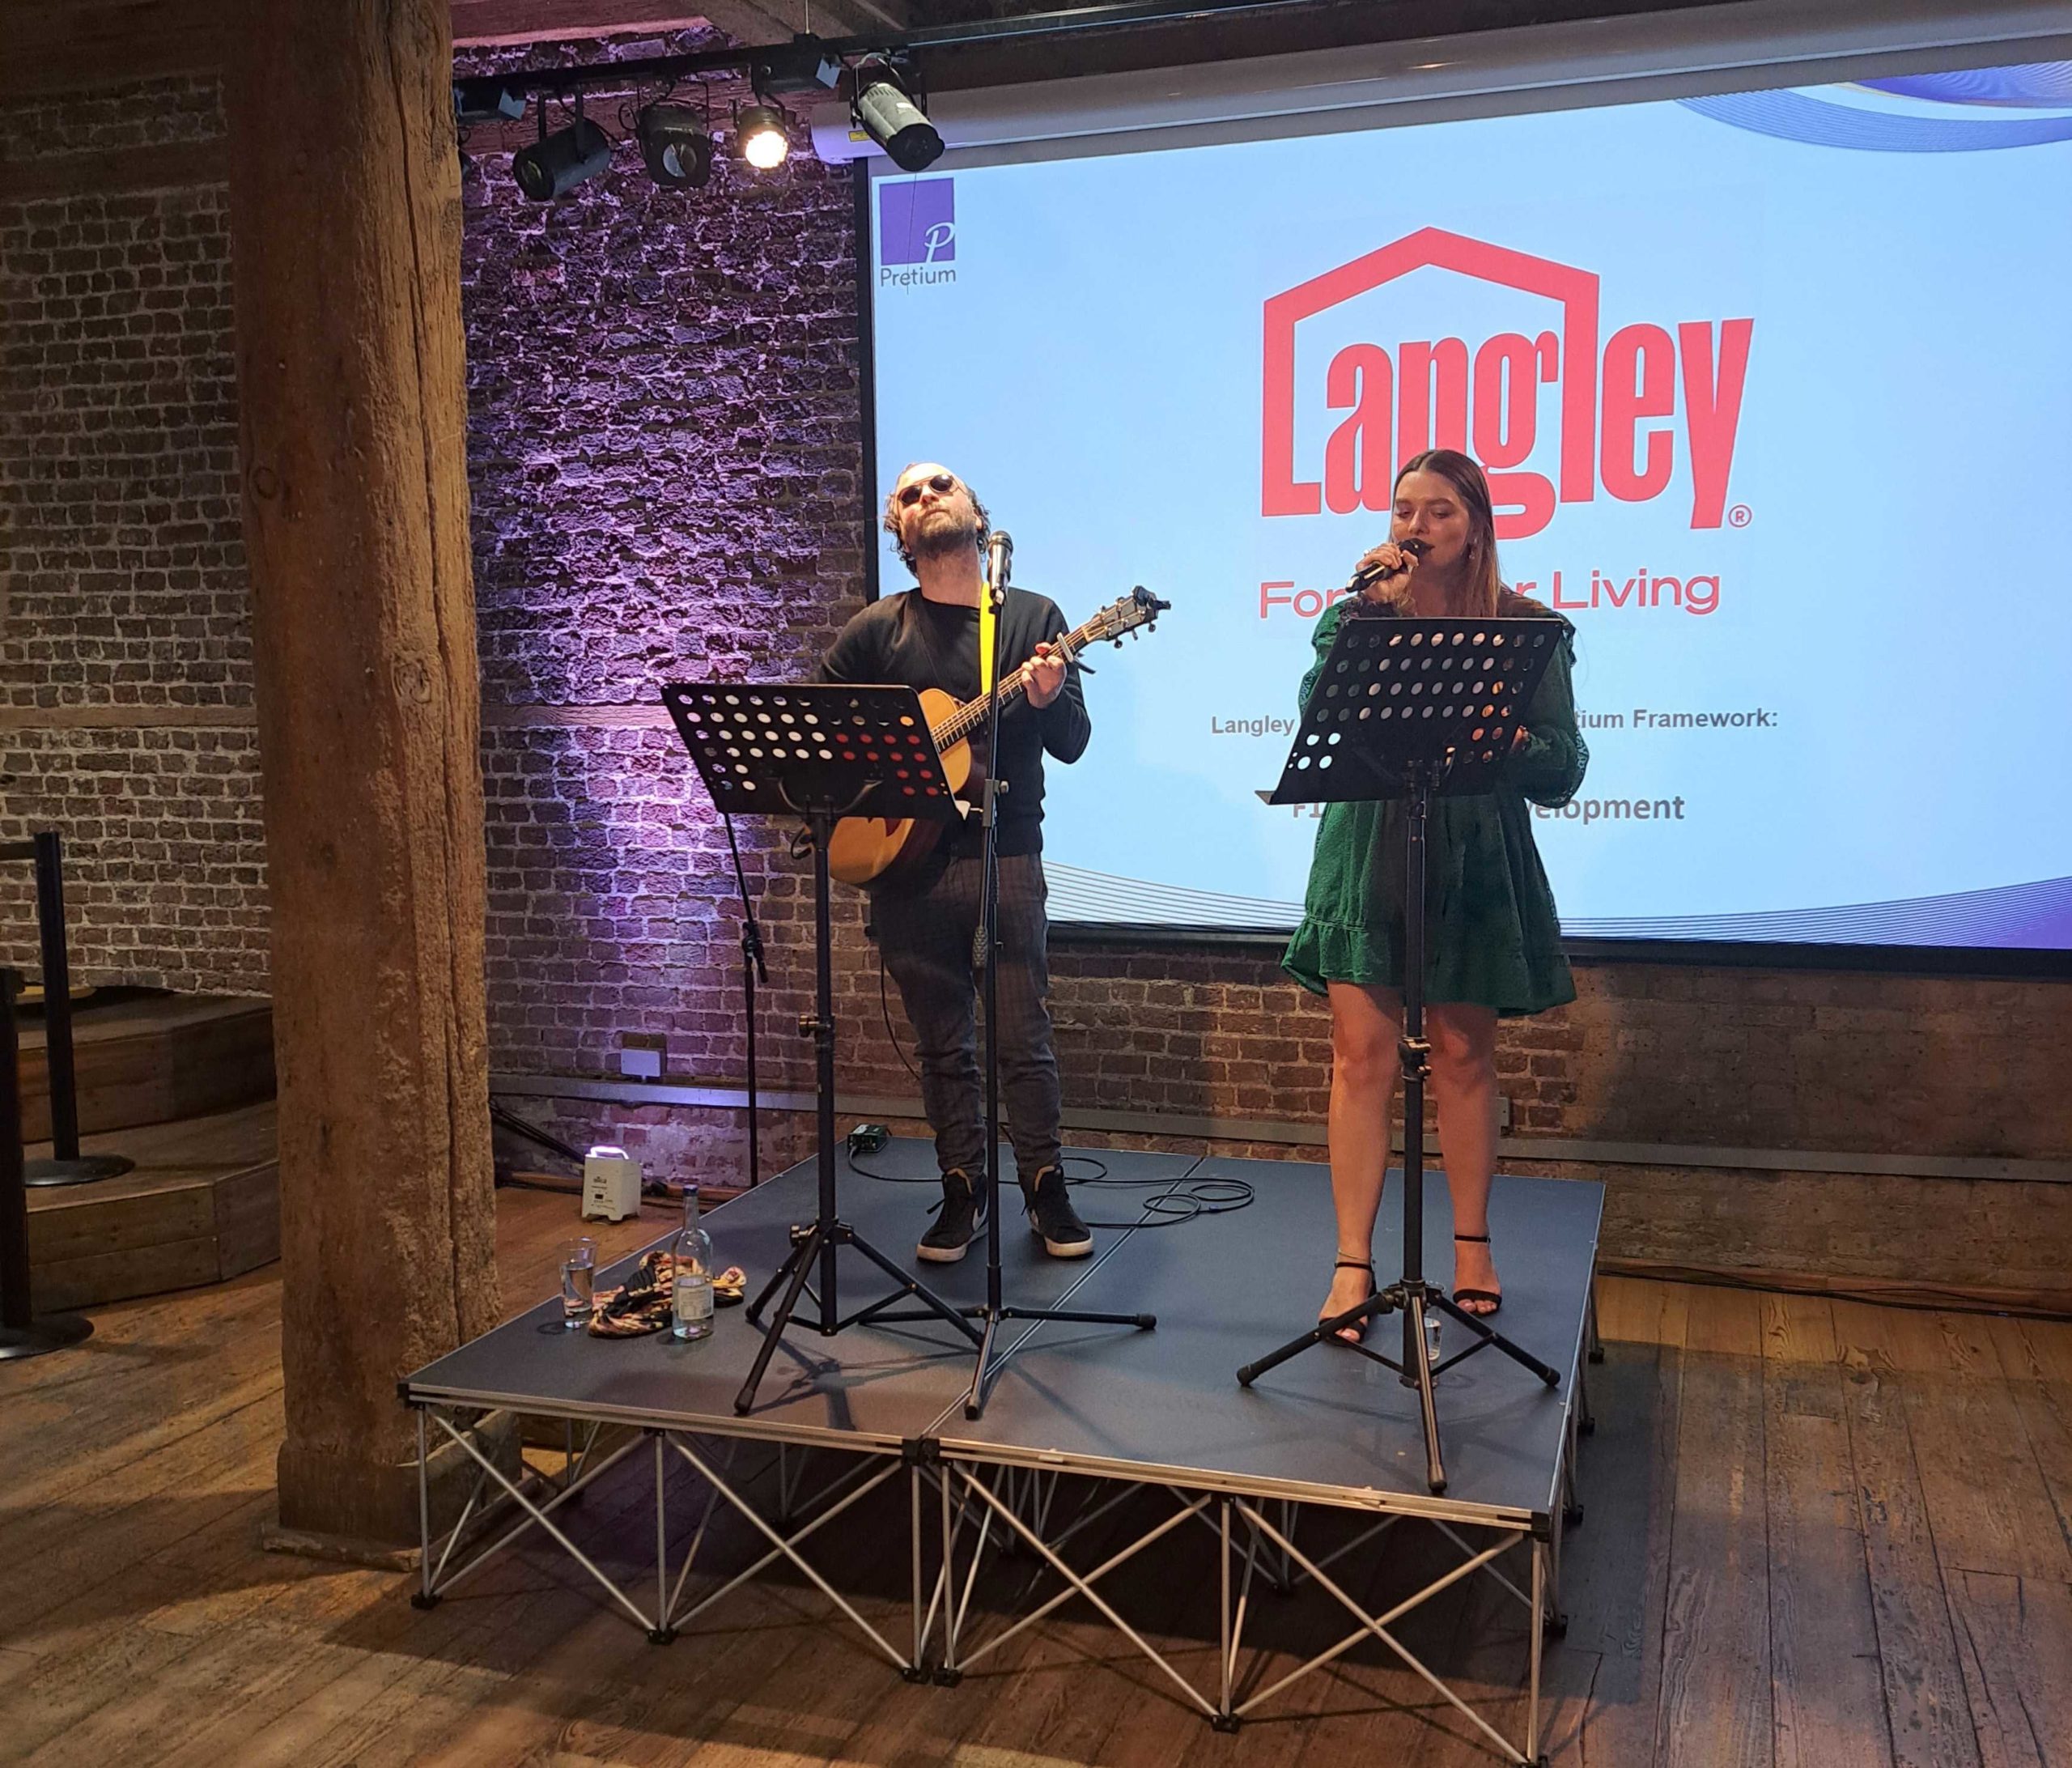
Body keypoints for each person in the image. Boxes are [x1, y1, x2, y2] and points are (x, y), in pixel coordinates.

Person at [1282, 448, 1587, 1339]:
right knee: (1359, 1059)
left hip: (1475, 856)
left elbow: (1564, 766)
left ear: (1476, 528)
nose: (1414, 527)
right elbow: (1317, 715)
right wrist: (1365, 621)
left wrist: (1512, 738)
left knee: (1461, 1056)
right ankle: (1352, 1262)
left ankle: (1471, 1246)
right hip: (1369, 848)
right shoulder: (1354, 619)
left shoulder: (1527, 627)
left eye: (1438, 511)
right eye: (1402, 510)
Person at [819, 461, 1095, 1263]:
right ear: (899, 533)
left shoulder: (1032, 618)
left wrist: (1048, 698)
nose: (926, 497)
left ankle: (1045, 1186)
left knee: (1022, 1039)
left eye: (941, 485)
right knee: (942, 1046)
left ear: (976, 512)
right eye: (909, 495)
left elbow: (1074, 743)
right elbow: (823, 737)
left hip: (1004, 854)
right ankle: (961, 1189)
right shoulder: (876, 632)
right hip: (906, 866)